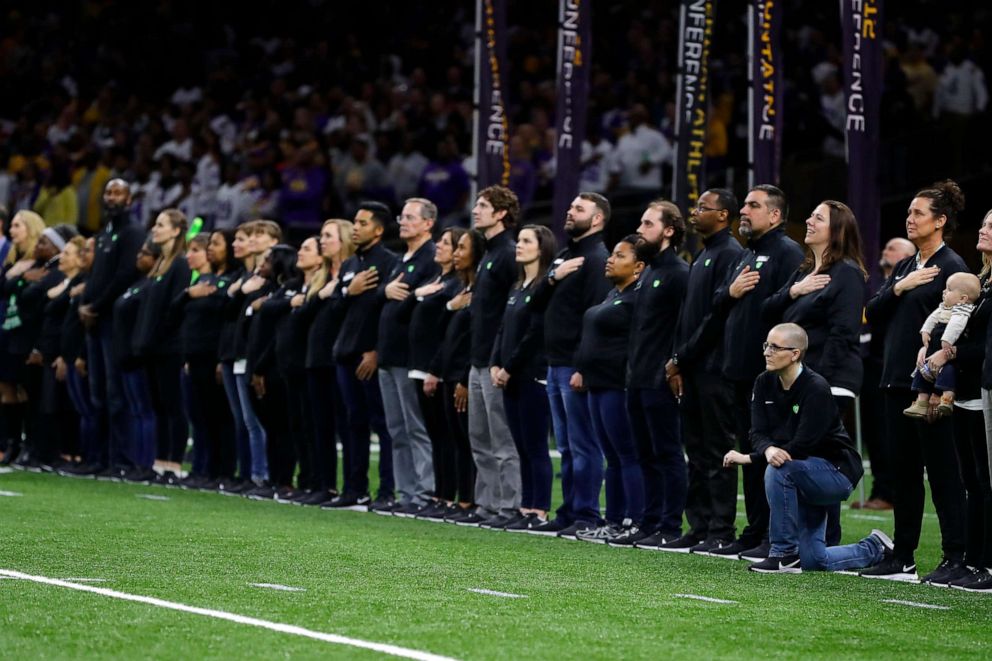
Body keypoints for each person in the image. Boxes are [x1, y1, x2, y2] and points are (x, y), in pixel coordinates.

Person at [862, 180, 969, 584]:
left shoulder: (953, 267)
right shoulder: (907, 266)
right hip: (894, 380)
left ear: (940, 221)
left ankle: (955, 556)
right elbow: (873, 311)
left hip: (931, 386)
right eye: (908, 212)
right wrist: (899, 286)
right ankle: (902, 556)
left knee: (942, 473)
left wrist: (945, 382)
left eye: (918, 213)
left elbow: (960, 329)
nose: (909, 219)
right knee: (903, 473)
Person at [723, 323, 893, 574]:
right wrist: (768, 450)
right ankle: (875, 548)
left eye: (775, 347)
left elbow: (803, 444)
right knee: (814, 560)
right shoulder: (763, 381)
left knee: (780, 471)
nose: (767, 352)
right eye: (766, 345)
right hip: (803, 471)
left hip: (836, 471)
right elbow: (756, 432)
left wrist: (751, 458)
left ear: (795, 354)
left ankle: (783, 553)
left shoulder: (816, 387)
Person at [706, 185, 804, 561]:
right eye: (744, 205)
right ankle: (754, 529)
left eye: (753, 206)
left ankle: (772, 533)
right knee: (748, 450)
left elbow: (786, 314)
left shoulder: (786, 252)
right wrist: (730, 291)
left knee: (767, 451)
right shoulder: (747, 252)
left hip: (766, 374)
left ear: (775, 215)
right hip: (737, 370)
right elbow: (719, 301)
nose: (743, 211)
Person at [525, 193, 611, 538]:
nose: (569, 212)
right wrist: (552, 277)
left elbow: (595, 317)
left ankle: (587, 512)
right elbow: (534, 304)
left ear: (598, 219)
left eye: (579, 209)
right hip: (554, 362)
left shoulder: (597, 259)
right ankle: (570, 509)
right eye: (571, 206)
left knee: (583, 444)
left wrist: (583, 366)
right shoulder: (564, 256)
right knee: (565, 446)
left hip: (574, 365)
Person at [663, 189, 744, 553]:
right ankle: (697, 525)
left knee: (716, 451)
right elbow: (688, 316)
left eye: (702, 208)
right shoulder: (703, 254)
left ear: (724, 215)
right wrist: (679, 358)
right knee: (695, 450)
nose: (694, 213)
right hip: (693, 365)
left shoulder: (730, 253)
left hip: (713, 367)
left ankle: (720, 528)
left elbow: (717, 316)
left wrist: (683, 356)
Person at [623, 199, 690, 550]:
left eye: (647, 224)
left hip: (661, 376)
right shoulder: (648, 271)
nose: (640, 229)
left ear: (668, 230)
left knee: (666, 452)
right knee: (644, 453)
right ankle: (649, 521)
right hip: (637, 375)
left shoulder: (679, 273)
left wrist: (676, 363)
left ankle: (669, 524)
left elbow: (684, 323)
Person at [572, 235, 649, 543]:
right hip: (598, 383)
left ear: (639, 267)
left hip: (618, 384)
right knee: (613, 456)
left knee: (626, 453)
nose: (610, 259)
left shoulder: (636, 298)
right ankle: (614, 519)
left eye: (620, 255)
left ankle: (635, 519)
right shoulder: (612, 294)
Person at [326, 201, 398, 511]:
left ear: (379, 230)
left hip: (369, 355)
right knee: (352, 423)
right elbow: (334, 310)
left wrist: (377, 351)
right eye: (355, 222)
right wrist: (348, 291)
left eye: (363, 223)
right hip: (345, 352)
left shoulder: (389, 262)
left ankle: (387, 490)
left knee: (382, 425)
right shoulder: (350, 265)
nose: (355, 227)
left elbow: (386, 312)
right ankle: (354, 488)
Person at [460, 186, 521, 526]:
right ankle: (487, 503)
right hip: (478, 357)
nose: (476, 210)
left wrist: (501, 358)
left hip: (493, 359)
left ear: (501, 214)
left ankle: (509, 505)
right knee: (480, 437)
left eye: (483, 206)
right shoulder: (488, 254)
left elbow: (509, 312)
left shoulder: (508, 253)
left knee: (501, 437)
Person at [490, 225, 555, 531]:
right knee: (520, 445)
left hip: (530, 375)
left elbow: (533, 335)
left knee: (535, 445)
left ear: (541, 249)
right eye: (519, 240)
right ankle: (525, 506)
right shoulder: (517, 286)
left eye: (526, 241)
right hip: (508, 375)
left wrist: (509, 367)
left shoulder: (541, 287)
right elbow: (503, 329)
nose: (519, 245)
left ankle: (539, 509)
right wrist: (494, 363)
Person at [376, 198, 440, 515]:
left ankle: (425, 492)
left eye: (410, 217)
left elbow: (422, 302)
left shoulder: (432, 257)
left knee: (415, 427)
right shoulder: (402, 258)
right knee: (396, 429)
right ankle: (406, 492)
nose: (402, 222)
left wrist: (406, 294)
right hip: (388, 354)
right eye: (401, 216)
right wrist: (385, 292)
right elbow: (383, 296)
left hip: (408, 355)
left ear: (428, 223)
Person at [79, 179, 144, 478]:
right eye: (108, 192)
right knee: (98, 394)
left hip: (112, 323)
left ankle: (120, 459)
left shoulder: (132, 233)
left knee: (115, 393)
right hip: (93, 319)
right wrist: (85, 303)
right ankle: (99, 456)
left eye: (118, 192)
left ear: (129, 199)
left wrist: (95, 306)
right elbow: (95, 276)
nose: (112, 197)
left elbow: (124, 275)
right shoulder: (104, 232)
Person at [407, 227, 466, 520]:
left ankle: (451, 494)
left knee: (446, 435)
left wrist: (435, 368)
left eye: (446, 243)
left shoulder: (456, 284)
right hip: (423, 365)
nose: (440, 247)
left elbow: (447, 332)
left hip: (437, 367)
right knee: (435, 434)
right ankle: (441, 495)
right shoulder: (437, 279)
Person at [174, 231, 238, 490]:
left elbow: (225, 320)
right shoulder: (204, 280)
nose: (210, 249)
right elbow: (177, 313)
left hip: (215, 357)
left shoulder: (229, 281)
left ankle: (221, 470)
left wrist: (220, 359)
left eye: (215, 244)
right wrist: (188, 294)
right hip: (194, 356)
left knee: (219, 417)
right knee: (199, 417)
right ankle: (202, 468)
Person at [131, 209, 191, 484]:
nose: (155, 229)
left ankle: (174, 463)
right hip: (152, 346)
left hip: (168, 346)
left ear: (176, 231)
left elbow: (174, 309)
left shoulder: (180, 264)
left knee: (172, 405)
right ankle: (160, 462)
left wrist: (155, 337)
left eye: (161, 225)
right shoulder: (160, 264)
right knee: (158, 405)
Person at [857, 237, 917, 510]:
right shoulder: (875, 286)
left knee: (885, 432)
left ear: (906, 256)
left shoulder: (906, 286)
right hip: (868, 366)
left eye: (892, 248)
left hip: (890, 366)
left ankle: (888, 492)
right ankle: (878, 490)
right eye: (885, 246)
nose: (885, 250)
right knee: (872, 432)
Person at [429, 230, 484, 523]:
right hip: (450, 372)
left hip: (463, 373)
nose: (456, 253)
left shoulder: (478, 291)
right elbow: (444, 332)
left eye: (462, 247)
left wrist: (464, 378)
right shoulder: (462, 289)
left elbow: (474, 339)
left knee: (466, 440)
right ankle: (457, 498)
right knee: (454, 437)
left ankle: (469, 500)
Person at [300, 219, 355, 506]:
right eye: (321, 235)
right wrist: (318, 296)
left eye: (328, 236)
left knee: (346, 425)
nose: (323, 240)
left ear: (343, 239)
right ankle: (325, 483)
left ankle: (351, 486)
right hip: (316, 357)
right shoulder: (320, 276)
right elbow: (301, 318)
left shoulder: (351, 272)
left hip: (340, 356)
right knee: (320, 425)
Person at [0, 210, 46, 466]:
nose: (12, 230)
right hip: (7, 329)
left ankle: (30, 444)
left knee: (24, 389)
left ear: (31, 228)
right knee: (5, 387)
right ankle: (11, 443)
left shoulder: (37, 263)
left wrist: (16, 278)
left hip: (26, 332)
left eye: (18, 226)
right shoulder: (12, 259)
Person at [903, 272, 981, 417]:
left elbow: (956, 326)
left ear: (963, 298)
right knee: (923, 372)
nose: (944, 292)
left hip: (947, 349)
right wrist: (925, 331)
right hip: (935, 348)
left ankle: (947, 399)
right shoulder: (944, 307)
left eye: (949, 290)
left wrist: (946, 342)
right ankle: (921, 402)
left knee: (948, 372)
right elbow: (932, 318)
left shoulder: (962, 310)